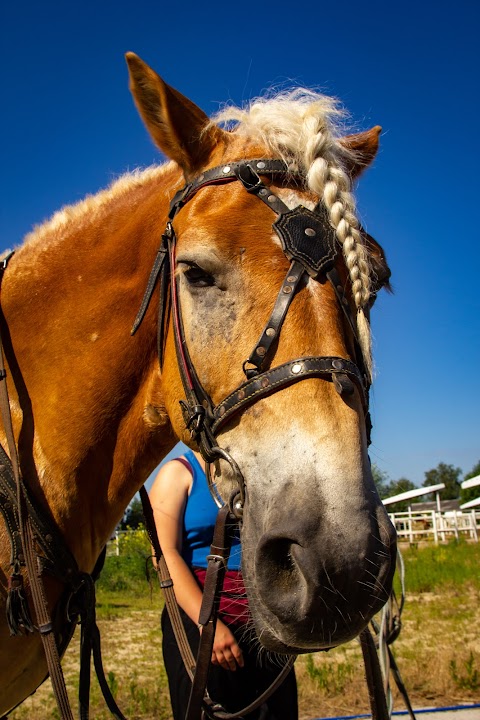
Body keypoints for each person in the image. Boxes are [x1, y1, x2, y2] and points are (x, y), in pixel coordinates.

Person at [150, 448, 298, 720]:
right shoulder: (179, 473)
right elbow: (164, 554)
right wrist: (208, 625)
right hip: (201, 619)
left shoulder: (257, 470)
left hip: (265, 622)